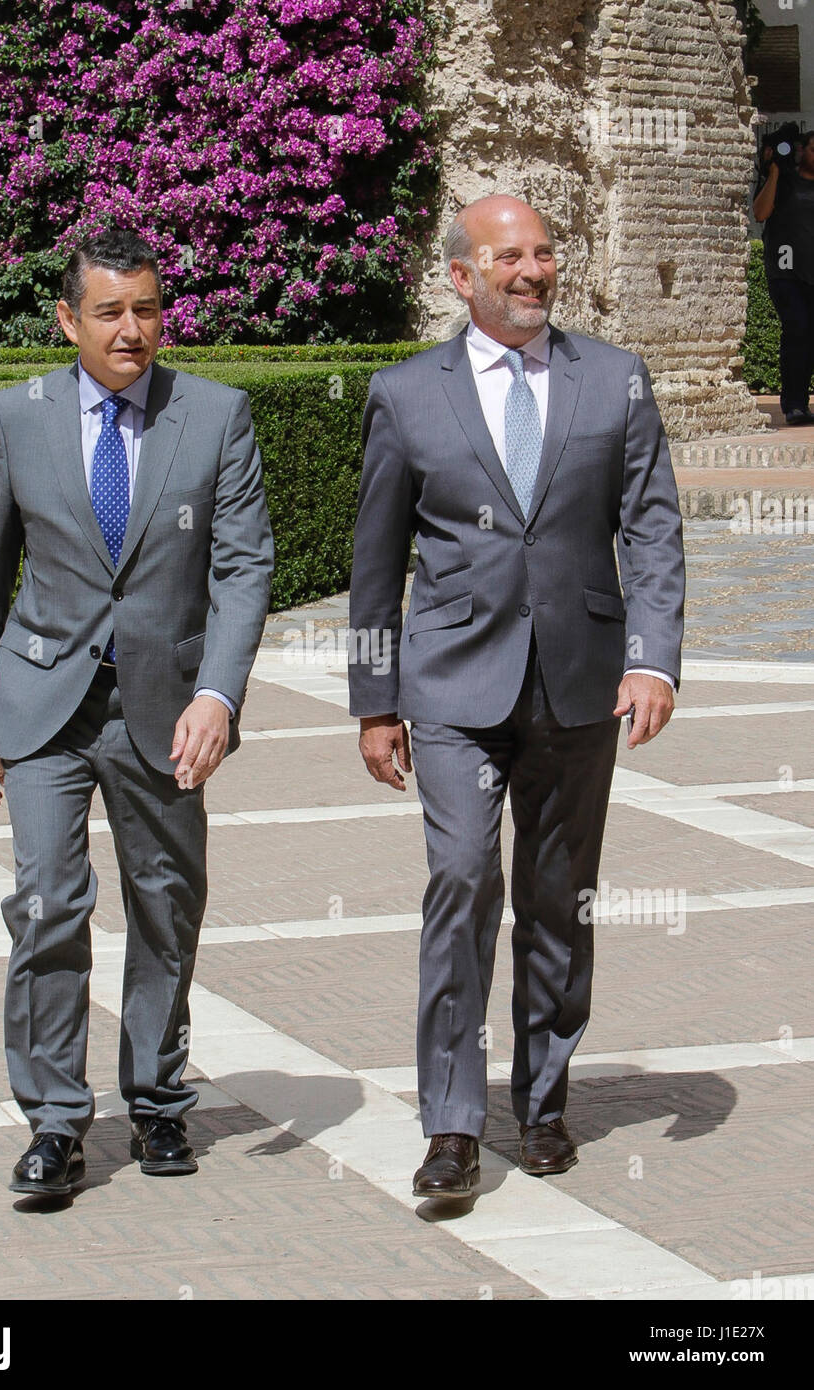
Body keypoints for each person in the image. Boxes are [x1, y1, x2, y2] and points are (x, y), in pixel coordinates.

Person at [347, 195, 685, 1199]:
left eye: (543, 252)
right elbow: (373, 565)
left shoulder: (615, 380)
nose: (532, 270)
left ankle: (540, 1101)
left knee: (554, 901)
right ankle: (451, 1124)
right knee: (459, 885)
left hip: (580, 686)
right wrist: (375, 696)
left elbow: (653, 528)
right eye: (509, 256)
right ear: (461, 276)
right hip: (452, 686)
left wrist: (652, 659)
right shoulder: (407, 395)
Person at [0, 229, 274, 1196]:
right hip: (42, 703)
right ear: (67, 320)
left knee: (165, 907)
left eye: (147, 309)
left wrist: (217, 693)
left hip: (165, 710)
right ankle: (53, 1121)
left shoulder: (214, 416)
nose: (132, 331)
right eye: (109, 312)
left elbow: (245, 567)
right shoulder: (19, 415)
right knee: (48, 905)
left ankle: (160, 1105)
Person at [753, 128, 814, 424]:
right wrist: (775, 172)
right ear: (802, 152)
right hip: (786, 274)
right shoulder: (784, 183)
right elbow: (761, 213)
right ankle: (794, 404)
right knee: (798, 331)